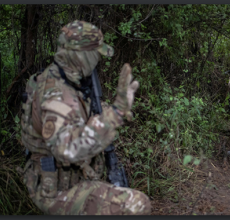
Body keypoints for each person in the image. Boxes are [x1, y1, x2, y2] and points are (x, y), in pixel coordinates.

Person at [17, 20, 151, 215]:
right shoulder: (56, 94)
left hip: (72, 177)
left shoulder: (70, 80)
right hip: (55, 190)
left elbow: (80, 118)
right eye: (95, 54)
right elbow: (67, 150)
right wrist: (116, 114)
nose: (98, 59)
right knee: (137, 204)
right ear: (82, 56)